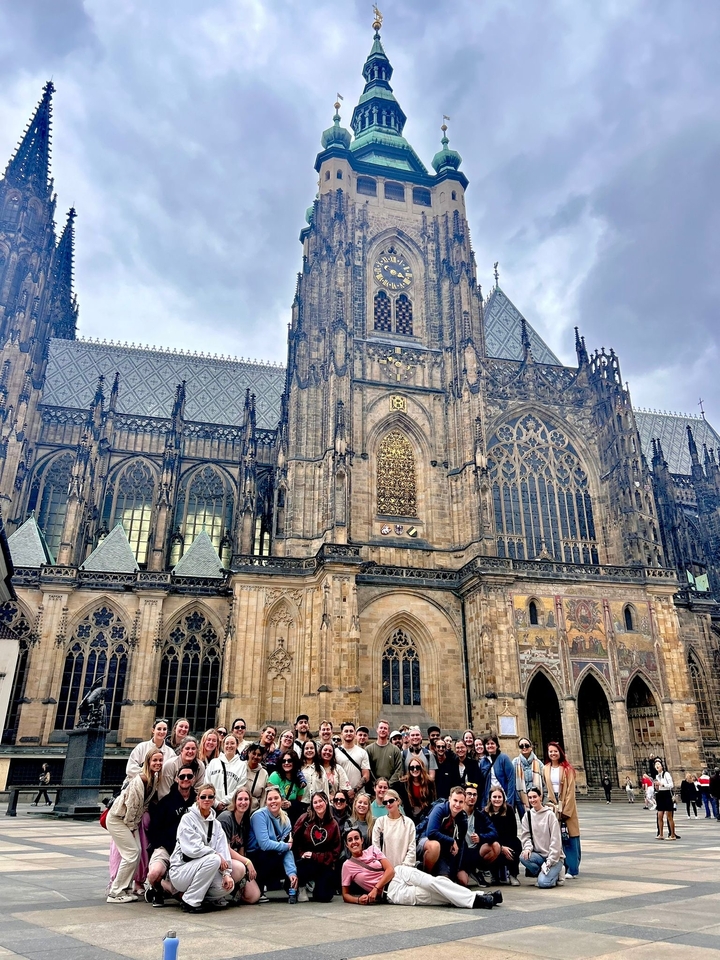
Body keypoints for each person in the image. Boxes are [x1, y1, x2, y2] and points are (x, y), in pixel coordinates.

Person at [341, 830, 497, 909]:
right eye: (350, 840)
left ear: (362, 840)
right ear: (347, 845)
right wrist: (358, 900)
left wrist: (375, 888)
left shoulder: (372, 850)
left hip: (399, 873)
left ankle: (476, 899)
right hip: (392, 892)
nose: (354, 842)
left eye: (356, 838)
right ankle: (478, 897)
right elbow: (345, 895)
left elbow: (389, 870)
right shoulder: (347, 866)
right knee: (431, 896)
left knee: (434, 882)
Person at [106, 750, 163, 903]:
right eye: (154, 760)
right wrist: (131, 828)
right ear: (147, 762)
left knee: (136, 853)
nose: (158, 763)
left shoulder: (153, 778)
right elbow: (132, 806)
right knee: (131, 853)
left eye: (160, 760)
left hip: (128, 821)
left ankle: (125, 889)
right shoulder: (141, 780)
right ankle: (115, 892)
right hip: (118, 819)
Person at [168, 782, 234, 912]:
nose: (207, 800)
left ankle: (193, 896)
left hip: (202, 869)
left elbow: (223, 850)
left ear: (214, 799)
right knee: (214, 859)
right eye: (203, 797)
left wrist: (226, 874)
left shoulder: (216, 824)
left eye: (210, 797)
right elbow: (192, 849)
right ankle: (191, 902)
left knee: (227, 886)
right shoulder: (187, 819)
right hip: (181, 870)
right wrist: (215, 854)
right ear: (198, 798)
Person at [145, 763, 197, 907]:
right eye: (182, 776)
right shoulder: (166, 802)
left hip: (190, 851)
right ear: (176, 779)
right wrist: (163, 845)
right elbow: (154, 829)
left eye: (189, 776)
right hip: (167, 848)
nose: (185, 779)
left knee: (186, 895)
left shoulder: (198, 802)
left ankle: (171, 889)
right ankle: (157, 889)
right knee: (154, 873)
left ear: (194, 779)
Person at [247, 786, 298, 899]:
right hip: (255, 855)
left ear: (282, 800)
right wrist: (286, 846)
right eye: (270, 799)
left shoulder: (286, 819)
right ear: (266, 802)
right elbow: (264, 844)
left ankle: (291, 884)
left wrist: (292, 873)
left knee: (291, 858)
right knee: (273, 853)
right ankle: (259, 886)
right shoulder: (259, 815)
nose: (273, 801)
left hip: (273, 854)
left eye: (276, 798)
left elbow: (287, 849)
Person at [292, 791, 342, 902]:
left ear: (326, 802)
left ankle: (316, 884)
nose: (318, 804)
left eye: (321, 801)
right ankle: (302, 886)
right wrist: (302, 854)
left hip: (323, 862)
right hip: (305, 861)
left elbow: (335, 852)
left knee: (324, 896)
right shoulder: (305, 819)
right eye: (315, 802)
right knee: (302, 866)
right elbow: (295, 840)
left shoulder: (333, 824)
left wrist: (316, 856)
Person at [217, 787, 262, 903]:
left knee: (254, 896)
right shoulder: (225, 818)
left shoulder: (245, 820)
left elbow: (241, 846)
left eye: (246, 799)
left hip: (233, 861)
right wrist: (247, 862)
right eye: (240, 799)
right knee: (240, 867)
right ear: (234, 801)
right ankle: (215, 895)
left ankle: (234, 892)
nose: (243, 802)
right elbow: (224, 848)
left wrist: (246, 866)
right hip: (219, 859)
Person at [542, 741, 581, 877]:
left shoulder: (567, 769)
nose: (553, 753)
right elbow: (545, 788)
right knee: (557, 837)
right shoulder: (545, 768)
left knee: (570, 836)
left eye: (555, 751)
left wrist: (566, 810)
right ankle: (562, 866)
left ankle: (573, 868)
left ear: (560, 753)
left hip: (566, 804)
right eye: (550, 751)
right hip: (553, 805)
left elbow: (571, 791)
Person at [417, 785, 467, 880]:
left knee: (449, 881)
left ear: (464, 803)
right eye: (455, 800)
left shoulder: (463, 819)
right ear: (449, 799)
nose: (457, 804)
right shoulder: (440, 808)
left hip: (443, 852)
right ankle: (425, 878)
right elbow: (431, 833)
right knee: (435, 846)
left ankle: (436, 873)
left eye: (461, 802)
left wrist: (454, 871)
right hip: (424, 841)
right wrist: (451, 841)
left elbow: (460, 846)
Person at [456, 781, 500, 887]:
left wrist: (481, 838)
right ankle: (467, 871)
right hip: (461, 854)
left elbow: (494, 833)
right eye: (469, 794)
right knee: (463, 882)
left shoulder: (480, 815)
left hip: (475, 852)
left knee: (496, 846)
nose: (472, 797)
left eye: (474, 794)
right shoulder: (457, 813)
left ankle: (478, 869)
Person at [519, 787, 565, 888]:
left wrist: (550, 861)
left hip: (554, 858)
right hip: (539, 856)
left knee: (543, 884)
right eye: (530, 797)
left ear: (540, 797)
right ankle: (544, 873)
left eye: (534, 797)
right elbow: (526, 836)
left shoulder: (550, 815)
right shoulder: (527, 816)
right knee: (523, 857)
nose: (532, 800)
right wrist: (527, 848)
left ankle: (557, 872)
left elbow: (556, 841)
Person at [372, 788, 416, 867]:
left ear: (398, 801)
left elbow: (412, 850)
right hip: (385, 870)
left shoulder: (409, 823)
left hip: (405, 871)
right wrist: (385, 867)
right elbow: (376, 848)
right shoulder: (380, 822)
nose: (388, 804)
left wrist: (403, 868)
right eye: (385, 802)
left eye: (391, 801)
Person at [486, 786, 521, 886]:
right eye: (494, 797)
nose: (497, 799)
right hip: (493, 842)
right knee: (492, 848)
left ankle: (513, 874)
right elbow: (486, 833)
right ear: (490, 798)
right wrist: (501, 847)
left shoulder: (509, 810)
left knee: (514, 846)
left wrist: (505, 847)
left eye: (499, 797)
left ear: (503, 798)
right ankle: (494, 875)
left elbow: (513, 831)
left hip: (508, 840)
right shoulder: (485, 812)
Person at [206, 733, 245, 811]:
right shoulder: (214, 762)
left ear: (237, 745)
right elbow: (207, 783)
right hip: (210, 805)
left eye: (232, 743)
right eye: (227, 743)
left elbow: (239, 787)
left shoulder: (242, 765)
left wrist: (224, 802)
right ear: (223, 746)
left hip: (229, 807)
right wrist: (216, 803)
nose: (229, 746)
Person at [267, 750, 306, 824]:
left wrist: (290, 804)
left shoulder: (299, 781)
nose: (286, 763)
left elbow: (298, 801)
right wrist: (280, 802)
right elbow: (269, 796)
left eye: (289, 761)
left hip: (290, 818)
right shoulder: (275, 776)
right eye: (283, 761)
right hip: (274, 816)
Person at [395, 755, 436, 825]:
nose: (415, 770)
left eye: (417, 767)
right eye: (412, 768)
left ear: (422, 768)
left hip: (425, 816)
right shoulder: (403, 783)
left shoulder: (429, 782)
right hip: (408, 817)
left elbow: (433, 801)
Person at [335, 722, 370, 798]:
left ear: (355, 733)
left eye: (351, 731)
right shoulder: (335, 752)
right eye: (346, 731)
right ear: (341, 734)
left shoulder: (362, 752)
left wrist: (354, 790)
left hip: (359, 795)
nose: (348, 733)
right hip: (340, 796)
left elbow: (366, 775)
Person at [481, 736, 517, 810]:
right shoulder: (483, 762)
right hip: (489, 799)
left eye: (492, 743)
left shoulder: (504, 758)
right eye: (487, 744)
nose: (490, 745)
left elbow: (511, 779)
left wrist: (509, 800)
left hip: (503, 797)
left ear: (497, 745)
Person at [513, 737, 545, 818]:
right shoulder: (515, 762)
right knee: (525, 823)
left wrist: (543, 797)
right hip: (521, 799)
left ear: (531, 747)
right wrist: (516, 799)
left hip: (536, 798)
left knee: (538, 823)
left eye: (526, 745)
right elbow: (512, 781)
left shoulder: (539, 763)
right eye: (521, 746)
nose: (524, 748)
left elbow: (544, 781)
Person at [366, 720, 404, 786]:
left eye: (385, 728)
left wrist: (388, 785)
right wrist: (377, 785)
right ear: (377, 730)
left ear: (388, 732)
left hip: (391, 788)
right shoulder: (368, 749)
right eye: (381, 728)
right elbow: (368, 769)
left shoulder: (395, 750)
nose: (383, 730)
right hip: (373, 789)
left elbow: (398, 770)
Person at [238, 742, 269, 812]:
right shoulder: (240, 767)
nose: (256, 757)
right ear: (249, 753)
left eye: (259, 755)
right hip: (238, 808)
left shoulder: (264, 774)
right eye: (254, 753)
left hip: (254, 811)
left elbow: (263, 797)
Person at [653, 759, 679, 840]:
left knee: (669, 816)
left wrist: (662, 784)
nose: (657, 765)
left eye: (658, 764)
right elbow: (658, 788)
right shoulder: (657, 776)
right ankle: (661, 834)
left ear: (662, 766)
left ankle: (672, 835)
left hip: (667, 794)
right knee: (659, 815)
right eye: (656, 765)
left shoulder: (666, 774)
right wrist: (657, 787)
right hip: (660, 795)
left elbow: (671, 785)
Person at [299, 739, 329, 805]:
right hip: (301, 804)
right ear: (303, 750)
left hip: (317, 805)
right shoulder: (298, 768)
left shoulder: (320, 769)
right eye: (306, 748)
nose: (309, 750)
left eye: (312, 748)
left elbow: (325, 789)